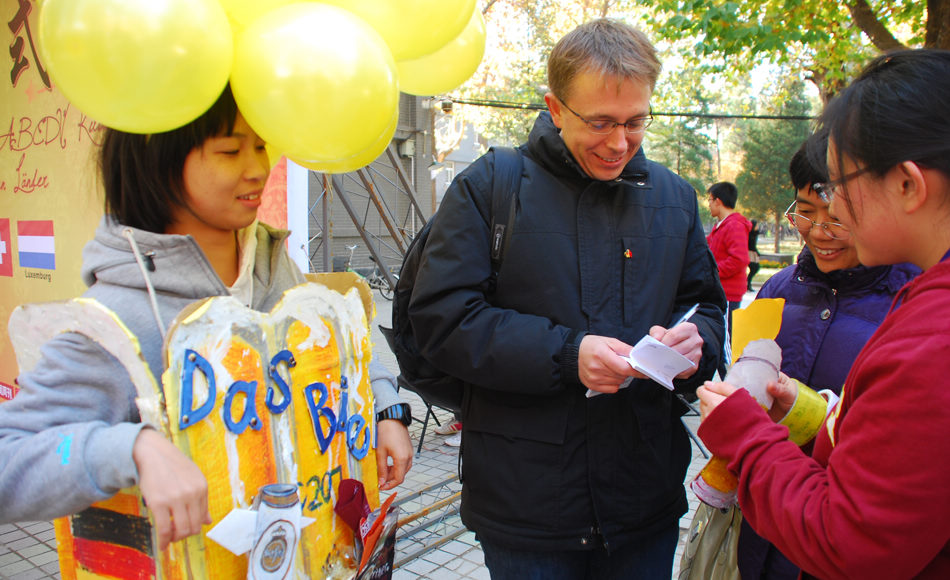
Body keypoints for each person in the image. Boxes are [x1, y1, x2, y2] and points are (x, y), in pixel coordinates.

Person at [0, 85, 413, 551]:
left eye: (260, 146)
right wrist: (128, 448)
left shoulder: (277, 269)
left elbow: (340, 336)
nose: (258, 168)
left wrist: (385, 407)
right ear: (158, 162)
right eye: (229, 150)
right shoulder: (114, 320)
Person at [408, 19, 726, 579]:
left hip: (643, 497)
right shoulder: (490, 187)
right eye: (600, 122)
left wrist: (696, 339)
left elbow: (705, 305)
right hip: (527, 505)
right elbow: (443, 319)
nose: (619, 142)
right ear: (555, 109)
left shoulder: (674, 198)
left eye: (635, 122)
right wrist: (565, 356)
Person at [697, 49, 950, 579]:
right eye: (808, 206)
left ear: (908, 184)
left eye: (839, 185)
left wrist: (743, 434)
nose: (827, 217)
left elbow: (853, 541)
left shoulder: (932, 338)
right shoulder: (921, 300)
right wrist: (821, 416)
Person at [736, 133, 920, 579]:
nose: (819, 231)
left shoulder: (913, 301)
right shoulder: (777, 291)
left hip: (846, 536)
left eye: (837, 216)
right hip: (767, 524)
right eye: (805, 210)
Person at [706, 181, 752, 326]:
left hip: (728, 293)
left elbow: (739, 260)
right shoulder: (721, 226)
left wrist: (712, 272)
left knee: (725, 337)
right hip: (720, 291)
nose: (709, 205)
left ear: (717, 201)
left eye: (710, 200)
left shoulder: (734, 225)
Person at [747, 219, 761, 291]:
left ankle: (748, 283)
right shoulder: (750, 234)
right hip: (750, 253)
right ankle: (748, 284)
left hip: (753, 253)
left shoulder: (755, 233)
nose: (758, 226)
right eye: (757, 225)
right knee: (754, 268)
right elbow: (751, 245)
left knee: (755, 268)